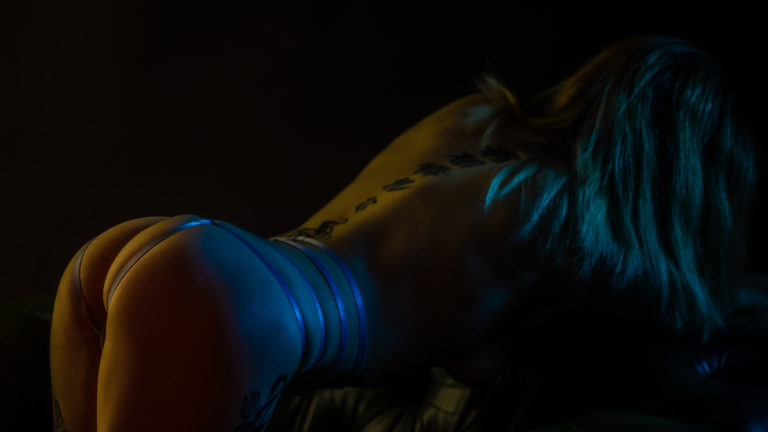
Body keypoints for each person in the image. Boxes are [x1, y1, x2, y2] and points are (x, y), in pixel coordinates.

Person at [49, 34, 757, 431]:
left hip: (158, 247)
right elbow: (682, 303)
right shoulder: (571, 215)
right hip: (237, 310)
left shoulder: (476, 115)